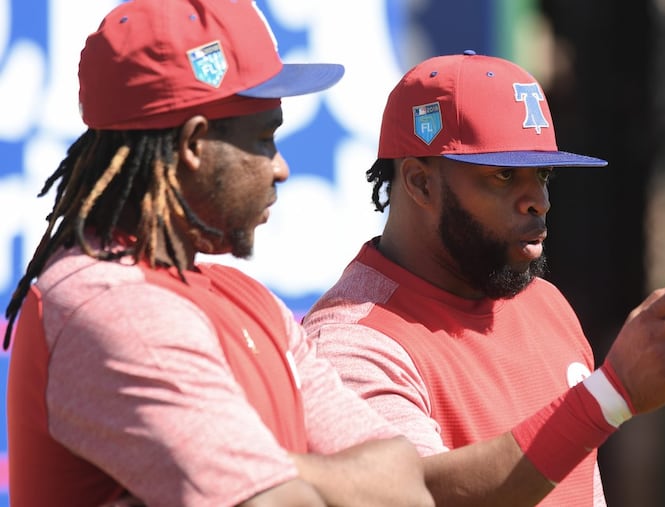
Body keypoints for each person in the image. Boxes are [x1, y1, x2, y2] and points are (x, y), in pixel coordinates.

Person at [2, 1, 435, 506]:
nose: (281, 168)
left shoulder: (245, 297)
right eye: (265, 138)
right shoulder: (106, 303)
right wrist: (294, 483)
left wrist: (268, 466)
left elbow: (406, 487)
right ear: (194, 144)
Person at [301, 51, 665, 506]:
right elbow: (416, 496)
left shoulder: (544, 302)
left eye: (543, 174)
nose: (538, 201)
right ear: (420, 183)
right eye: (504, 175)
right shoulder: (351, 342)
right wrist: (612, 393)